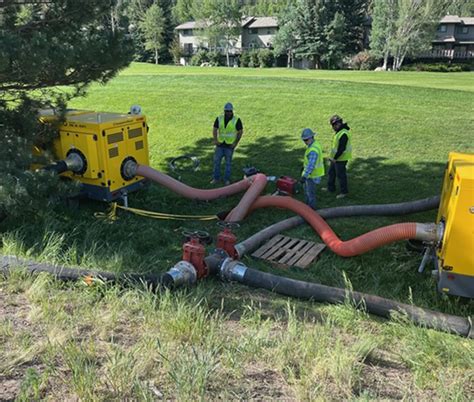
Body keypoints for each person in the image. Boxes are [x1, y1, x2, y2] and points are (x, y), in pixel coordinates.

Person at [211, 102, 243, 185]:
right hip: (220, 144)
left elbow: (240, 132)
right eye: (227, 111)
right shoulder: (219, 118)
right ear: (224, 111)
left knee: (228, 163)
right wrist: (215, 140)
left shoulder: (236, 120)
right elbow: (215, 129)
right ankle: (216, 178)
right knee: (217, 162)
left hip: (229, 145)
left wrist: (235, 143)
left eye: (230, 111)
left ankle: (226, 180)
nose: (228, 113)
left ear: (232, 111)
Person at [327, 115, 352, 199]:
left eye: (333, 125)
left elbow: (341, 148)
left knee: (341, 175)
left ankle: (344, 192)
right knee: (331, 173)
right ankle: (331, 188)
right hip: (336, 158)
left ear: (338, 124)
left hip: (341, 159)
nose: (333, 128)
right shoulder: (340, 131)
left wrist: (334, 158)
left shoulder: (343, 134)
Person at [300, 128, 324, 209]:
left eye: (306, 140)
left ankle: (311, 211)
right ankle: (307, 208)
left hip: (312, 176)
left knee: (310, 194)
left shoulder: (313, 150)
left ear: (311, 137)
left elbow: (311, 165)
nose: (305, 142)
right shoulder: (314, 144)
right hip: (312, 175)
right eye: (304, 140)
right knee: (308, 192)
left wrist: (304, 176)